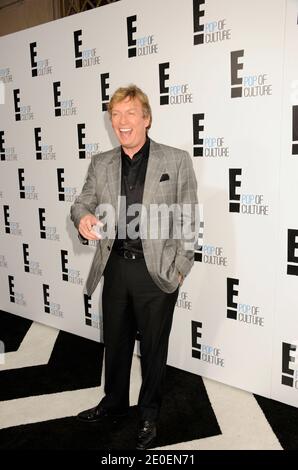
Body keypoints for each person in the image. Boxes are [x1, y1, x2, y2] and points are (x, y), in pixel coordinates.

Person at [70, 85, 198, 450]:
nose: (122, 122)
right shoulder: (101, 163)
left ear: (146, 119)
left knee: (154, 349)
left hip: (156, 272)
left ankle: (149, 415)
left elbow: (189, 217)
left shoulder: (175, 160)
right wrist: (83, 217)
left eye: (130, 114)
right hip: (115, 267)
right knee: (116, 342)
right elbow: (82, 202)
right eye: (116, 115)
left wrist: (180, 268)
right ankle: (113, 403)